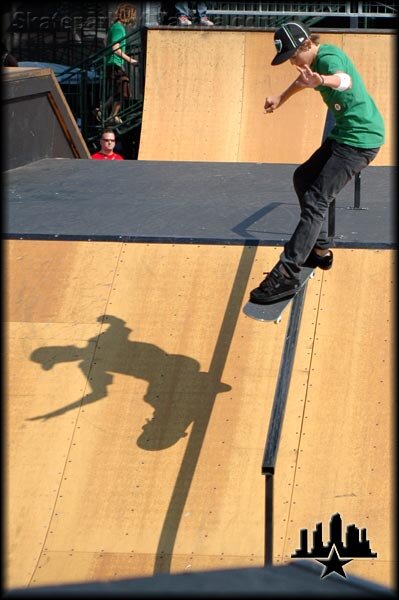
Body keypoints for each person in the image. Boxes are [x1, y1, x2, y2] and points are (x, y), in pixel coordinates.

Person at [250, 21, 384, 304]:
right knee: (303, 177)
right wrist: (279, 99)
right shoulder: (309, 65)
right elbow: (301, 81)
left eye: (293, 56)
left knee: (316, 199)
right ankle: (319, 249)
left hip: (361, 141)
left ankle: (286, 274)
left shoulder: (329, 58)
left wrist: (321, 81)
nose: (293, 63)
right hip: (343, 136)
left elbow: (343, 80)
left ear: (307, 45)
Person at [94, 3, 138, 125]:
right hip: (113, 63)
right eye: (133, 15)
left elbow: (105, 41)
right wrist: (131, 61)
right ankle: (113, 115)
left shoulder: (114, 27)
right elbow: (115, 48)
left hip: (112, 63)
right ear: (128, 15)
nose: (134, 18)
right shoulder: (119, 28)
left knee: (118, 91)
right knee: (124, 88)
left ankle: (101, 110)